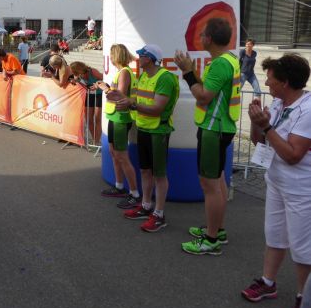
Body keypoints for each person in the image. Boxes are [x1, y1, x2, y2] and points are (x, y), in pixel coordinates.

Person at [240, 54, 311, 308]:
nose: (267, 82)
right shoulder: (280, 103)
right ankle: (268, 282)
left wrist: (267, 127)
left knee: (302, 248)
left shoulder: (307, 110)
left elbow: (293, 155)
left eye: (270, 78)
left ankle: (304, 298)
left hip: (302, 189)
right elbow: (260, 141)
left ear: (285, 82)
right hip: (277, 182)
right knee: (274, 235)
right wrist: (256, 122)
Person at [175, 17, 240, 256]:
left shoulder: (220, 64)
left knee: (209, 184)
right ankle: (217, 230)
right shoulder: (229, 59)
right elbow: (211, 90)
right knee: (218, 180)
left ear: (209, 39)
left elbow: (203, 96)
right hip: (221, 127)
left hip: (214, 128)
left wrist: (187, 72)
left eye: (202, 34)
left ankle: (211, 240)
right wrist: (192, 72)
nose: (200, 37)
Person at [108, 44, 179, 233]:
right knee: (145, 170)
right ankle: (146, 206)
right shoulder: (144, 76)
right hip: (144, 128)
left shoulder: (165, 77)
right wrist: (125, 99)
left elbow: (157, 109)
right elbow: (137, 100)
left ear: (151, 59)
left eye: (142, 56)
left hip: (159, 131)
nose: (139, 58)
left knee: (159, 174)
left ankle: (159, 214)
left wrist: (131, 105)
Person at [98, 44, 140, 209]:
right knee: (114, 153)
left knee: (122, 156)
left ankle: (134, 194)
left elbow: (119, 95)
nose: (110, 57)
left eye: (111, 54)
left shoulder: (124, 72)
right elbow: (117, 93)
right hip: (114, 117)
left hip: (121, 118)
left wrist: (105, 89)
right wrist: (106, 87)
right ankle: (119, 186)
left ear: (116, 55)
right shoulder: (122, 72)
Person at [70, 61, 103, 144]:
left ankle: (97, 141)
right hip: (89, 95)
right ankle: (95, 140)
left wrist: (97, 85)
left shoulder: (92, 71)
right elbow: (84, 85)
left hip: (99, 95)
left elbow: (105, 80)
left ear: (78, 69)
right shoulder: (78, 75)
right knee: (88, 119)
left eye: (73, 71)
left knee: (97, 119)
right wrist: (75, 81)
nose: (73, 73)